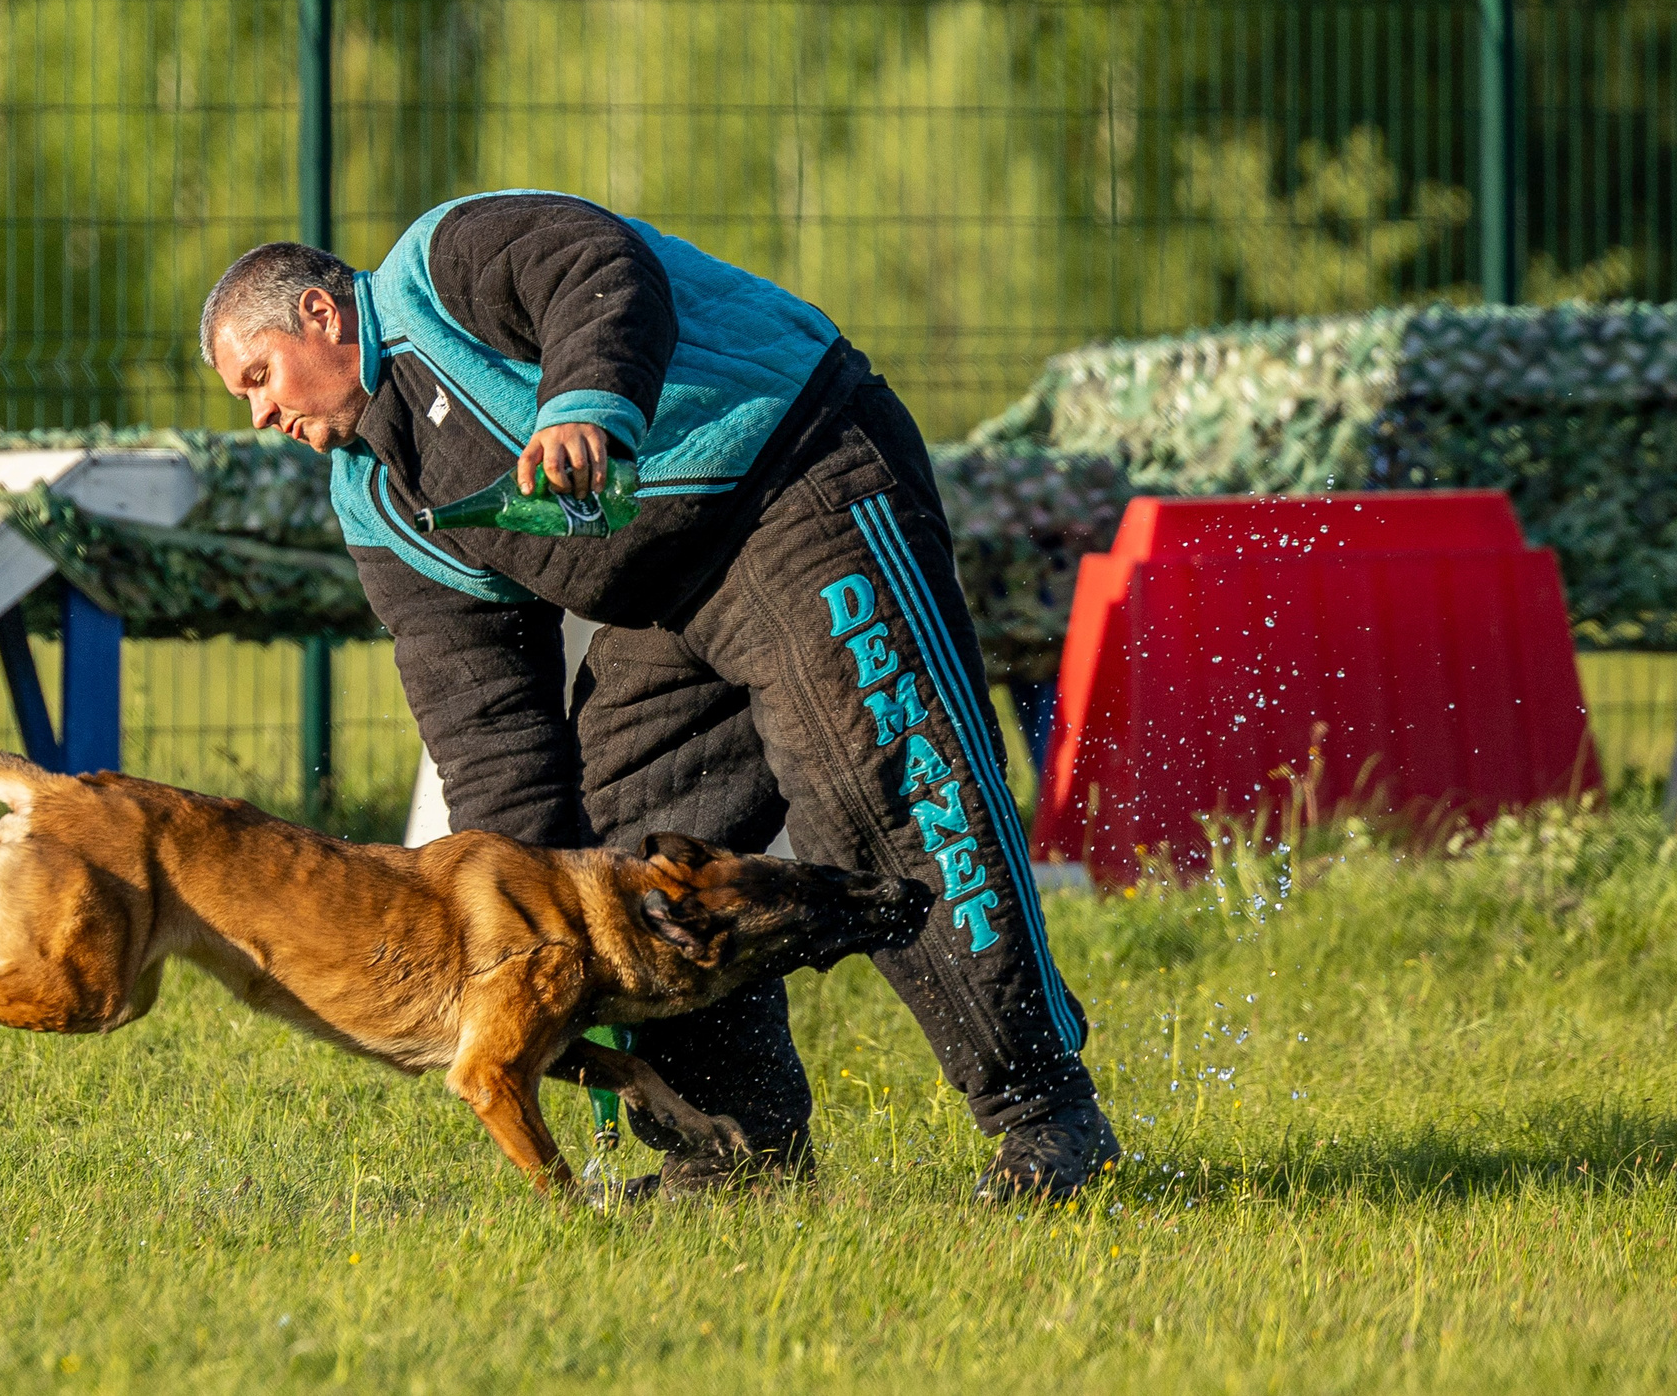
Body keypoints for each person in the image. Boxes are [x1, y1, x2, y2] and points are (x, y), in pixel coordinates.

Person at [199, 189, 1117, 1200]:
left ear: (320, 318)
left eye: (258, 375)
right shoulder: (376, 500)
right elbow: (485, 727)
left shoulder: (441, 263)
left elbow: (596, 266)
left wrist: (586, 405)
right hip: (660, 599)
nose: (259, 412)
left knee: (877, 793)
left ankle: (1043, 1116)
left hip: (796, 479)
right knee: (624, 867)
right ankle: (732, 1153)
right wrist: (528, 930)